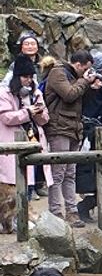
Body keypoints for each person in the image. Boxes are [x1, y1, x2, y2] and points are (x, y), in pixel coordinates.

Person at [43, 49, 102, 227]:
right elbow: (69, 95)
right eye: (86, 69)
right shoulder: (58, 73)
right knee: (58, 173)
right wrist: (85, 81)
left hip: (74, 128)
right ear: (78, 65)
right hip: (59, 128)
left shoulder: (74, 76)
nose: (87, 73)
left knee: (70, 173)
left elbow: (79, 100)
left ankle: (72, 211)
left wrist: (91, 88)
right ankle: (55, 213)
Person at [0, 55, 53, 233]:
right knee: (11, 188)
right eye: (25, 77)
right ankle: (13, 223)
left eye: (31, 77)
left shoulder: (36, 92)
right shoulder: (4, 93)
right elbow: (6, 117)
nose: (28, 80)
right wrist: (26, 112)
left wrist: (37, 111)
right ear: (17, 77)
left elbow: (45, 118)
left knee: (27, 184)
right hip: (11, 145)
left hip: (33, 142)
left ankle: (21, 221)